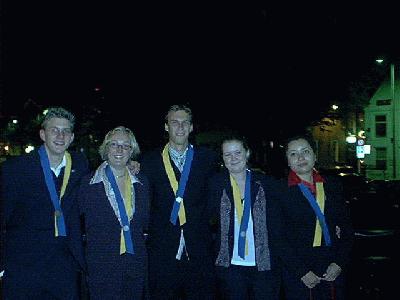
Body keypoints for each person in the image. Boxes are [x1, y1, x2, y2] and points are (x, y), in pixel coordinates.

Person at [0, 107, 89, 299]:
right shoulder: (16, 169)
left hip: (64, 268)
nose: (60, 135)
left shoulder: (80, 165)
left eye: (65, 131)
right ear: (42, 134)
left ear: (72, 137)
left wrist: (131, 165)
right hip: (23, 267)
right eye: (54, 130)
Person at [140, 104, 219, 299]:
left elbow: (215, 196)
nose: (180, 127)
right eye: (175, 122)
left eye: (185, 123)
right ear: (166, 126)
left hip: (199, 248)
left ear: (192, 127)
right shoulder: (148, 162)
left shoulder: (207, 159)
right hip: (162, 250)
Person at [77, 126, 150, 299]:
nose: (119, 149)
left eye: (126, 145)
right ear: (105, 148)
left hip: (135, 265)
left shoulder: (142, 183)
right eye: (114, 144)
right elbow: (77, 224)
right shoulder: (87, 184)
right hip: (101, 267)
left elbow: (145, 224)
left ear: (131, 151)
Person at [278, 134, 354, 300]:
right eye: (293, 154)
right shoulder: (280, 191)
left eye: (305, 151)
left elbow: (347, 229)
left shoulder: (332, 185)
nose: (300, 157)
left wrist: (339, 263)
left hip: (332, 267)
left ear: (314, 155)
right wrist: (301, 272)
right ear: (288, 161)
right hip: (299, 272)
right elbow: (278, 238)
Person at [207, 135, 282, 299]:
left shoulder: (266, 183)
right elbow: (202, 218)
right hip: (230, 267)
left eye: (237, 153)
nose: (233, 158)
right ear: (222, 158)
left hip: (264, 266)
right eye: (227, 154)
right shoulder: (215, 184)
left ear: (247, 153)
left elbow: (283, 219)